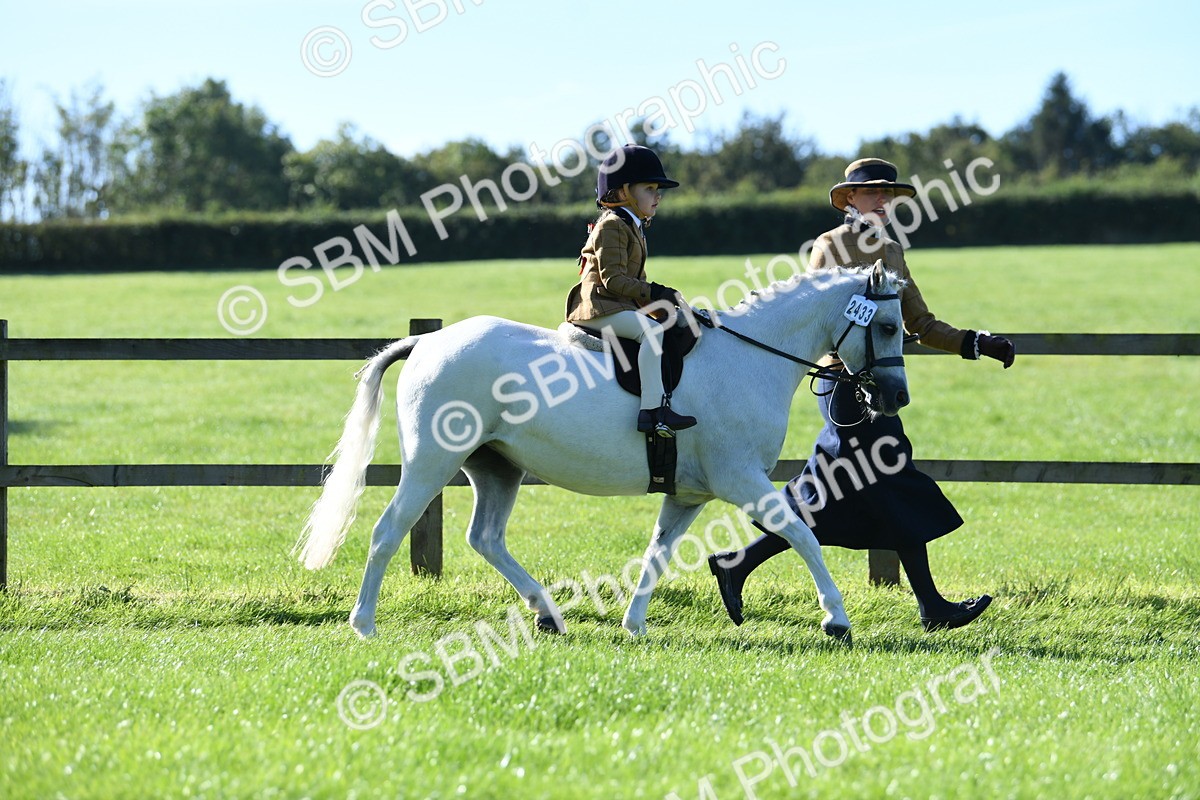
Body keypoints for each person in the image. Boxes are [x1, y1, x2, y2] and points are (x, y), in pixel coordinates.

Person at [707, 157, 1015, 632]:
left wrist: (975, 342)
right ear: (849, 199)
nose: (883, 200)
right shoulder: (829, 246)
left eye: (887, 194)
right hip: (844, 386)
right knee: (889, 478)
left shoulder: (891, 251)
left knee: (838, 490)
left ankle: (737, 564)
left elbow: (920, 322)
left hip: (877, 387)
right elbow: (818, 315)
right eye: (873, 192)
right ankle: (932, 606)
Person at [565, 144, 696, 437]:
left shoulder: (633, 226)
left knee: (667, 322)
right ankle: (652, 411)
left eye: (657, 190)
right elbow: (613, 280)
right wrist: (658, 292)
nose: (657, 196)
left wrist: (664, 304)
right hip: (598, 307)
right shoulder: (612, 226)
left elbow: (636, 285)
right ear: (624, 192)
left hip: (617, 305)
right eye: (649, 189)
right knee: (652, 332)